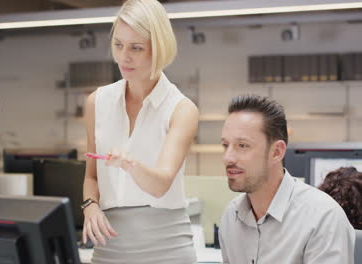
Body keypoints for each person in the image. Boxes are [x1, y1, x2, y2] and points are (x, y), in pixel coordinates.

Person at [81, 0, 198, 263]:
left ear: (158, 49)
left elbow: (161, 184)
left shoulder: (181, 109)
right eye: (118, 45)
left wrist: (130, 164)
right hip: (109, 247)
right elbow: (92, 177)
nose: (124, 57)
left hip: (167, 249)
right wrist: (90, 207)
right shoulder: (96, 103)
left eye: (136, 48)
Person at [219, 94, 355, 264]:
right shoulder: (231, 216)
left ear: (277, 152)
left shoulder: (323, 218)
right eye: (225, 145)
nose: (228, 157)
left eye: (242, 146)